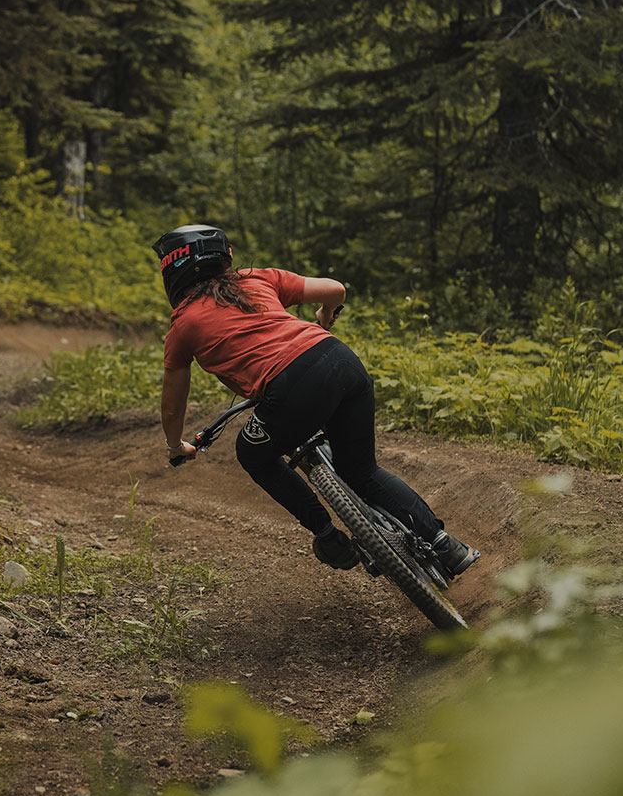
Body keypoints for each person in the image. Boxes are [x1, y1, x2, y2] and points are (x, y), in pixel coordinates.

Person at [155, 224, 478, 576]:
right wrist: (324, 317)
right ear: (224, 257)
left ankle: (327, 536)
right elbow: (335, 289)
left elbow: (173, 404)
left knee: (252, 453)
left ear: (172, 271)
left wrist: (176, 446)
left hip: (289, 386)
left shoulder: (184, 324)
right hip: (340, 358)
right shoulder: (256, 279)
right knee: (362, 471)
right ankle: (448, 546)